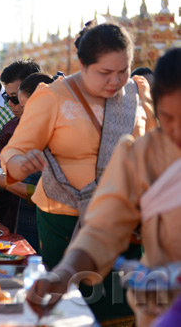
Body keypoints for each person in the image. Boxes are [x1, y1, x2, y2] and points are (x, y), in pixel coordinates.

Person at [0, 22, 157, 324]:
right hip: (64, 220)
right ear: (82, 65)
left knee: (123, 311)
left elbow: (154, 149)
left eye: (122, 71)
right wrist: (22, 164)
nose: (115, 81)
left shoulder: (137, 92)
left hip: (122, 222)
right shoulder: (53, 96)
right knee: (73, 311)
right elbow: (13, 152)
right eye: (104, 73)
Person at [28, 47, 181, 327]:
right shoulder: (142, 155)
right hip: (159, 309)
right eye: (169, 119)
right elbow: (103, 227)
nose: (177, 132)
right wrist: (64, 273)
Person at [0, 69, 50, 250]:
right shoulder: (19, 129)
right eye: (9, 99)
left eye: (18, 102)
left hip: (48, 225)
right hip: (18, 216)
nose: (12, 106)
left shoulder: (56, 137)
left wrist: (1, 180)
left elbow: (42, 193)